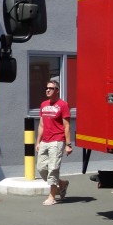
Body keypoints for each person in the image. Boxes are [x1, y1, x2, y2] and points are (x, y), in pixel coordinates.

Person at [36, 77, 72, 205]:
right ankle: (61, 184)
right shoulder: (43, 105)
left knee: (53, 169)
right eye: (47, 88)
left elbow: (67, 126)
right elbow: (41, 125)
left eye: (51, 88)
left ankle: (52, 197)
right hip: (45, 141)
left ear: (57, 90)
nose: (48, 90)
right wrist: (38, 142)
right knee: (41, 168)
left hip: (57, 141)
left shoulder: (63, 105)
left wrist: (68, 144)